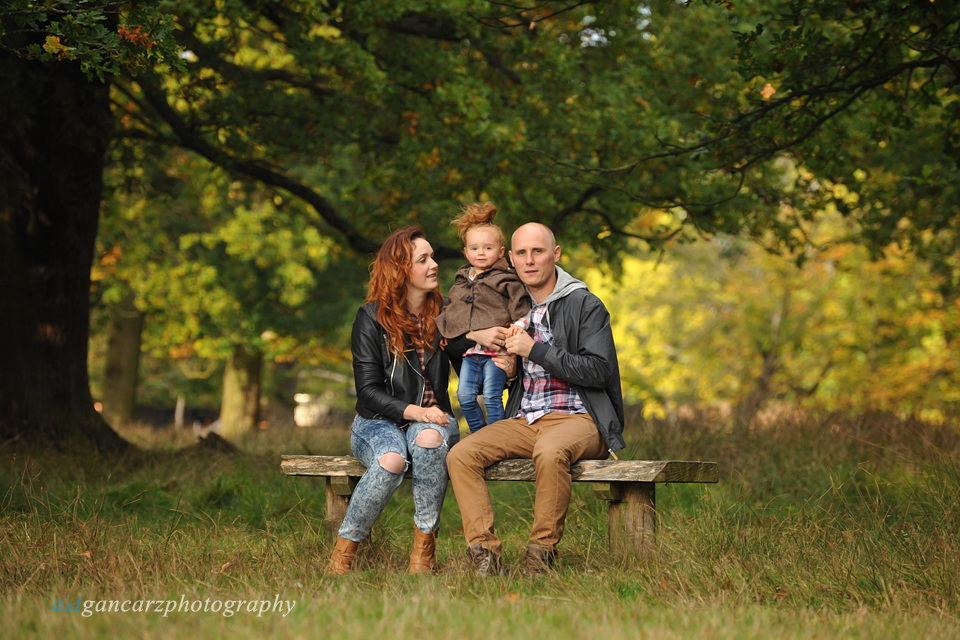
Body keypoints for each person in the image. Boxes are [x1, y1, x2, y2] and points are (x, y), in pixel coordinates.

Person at [446, 222, 625, 576]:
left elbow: (600, 371)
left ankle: (540, 554)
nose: (530, 260)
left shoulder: (584, 303)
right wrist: (510, 369)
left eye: (538, 252)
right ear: (511, 259)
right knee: (461, 454)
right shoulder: (515, 305)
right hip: (527, 418)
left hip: (581, 419)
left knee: (551, 451)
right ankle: (484, 555)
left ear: (555, 254)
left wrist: (535, 350)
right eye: (522, 254)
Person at [329, 226, 460, 576]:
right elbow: (368, 391)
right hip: (376, 422)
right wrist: (415, 411)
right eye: (424, 259)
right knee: (391, 460)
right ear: (401, 270)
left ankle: (423, 553)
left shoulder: (447, 314)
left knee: (430, 439)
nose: (434, 264)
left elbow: (469, 363)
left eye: (432, 257)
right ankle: (343, 554)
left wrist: (499, 361)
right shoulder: (370, 318)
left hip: (432, 422)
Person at [435, 202, 531, 433]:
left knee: (491, 397)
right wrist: (466, 332)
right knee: (465, 396)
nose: (480, 253)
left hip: (497, 353)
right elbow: (452, 315)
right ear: (466, 252)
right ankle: (481, 435)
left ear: (500, 251)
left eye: (487, 248)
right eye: (474, 248)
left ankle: (496, 438)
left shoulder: (507, 279)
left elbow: (522, 308)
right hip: (470, 353)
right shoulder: (460, 284)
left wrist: (517, 327)